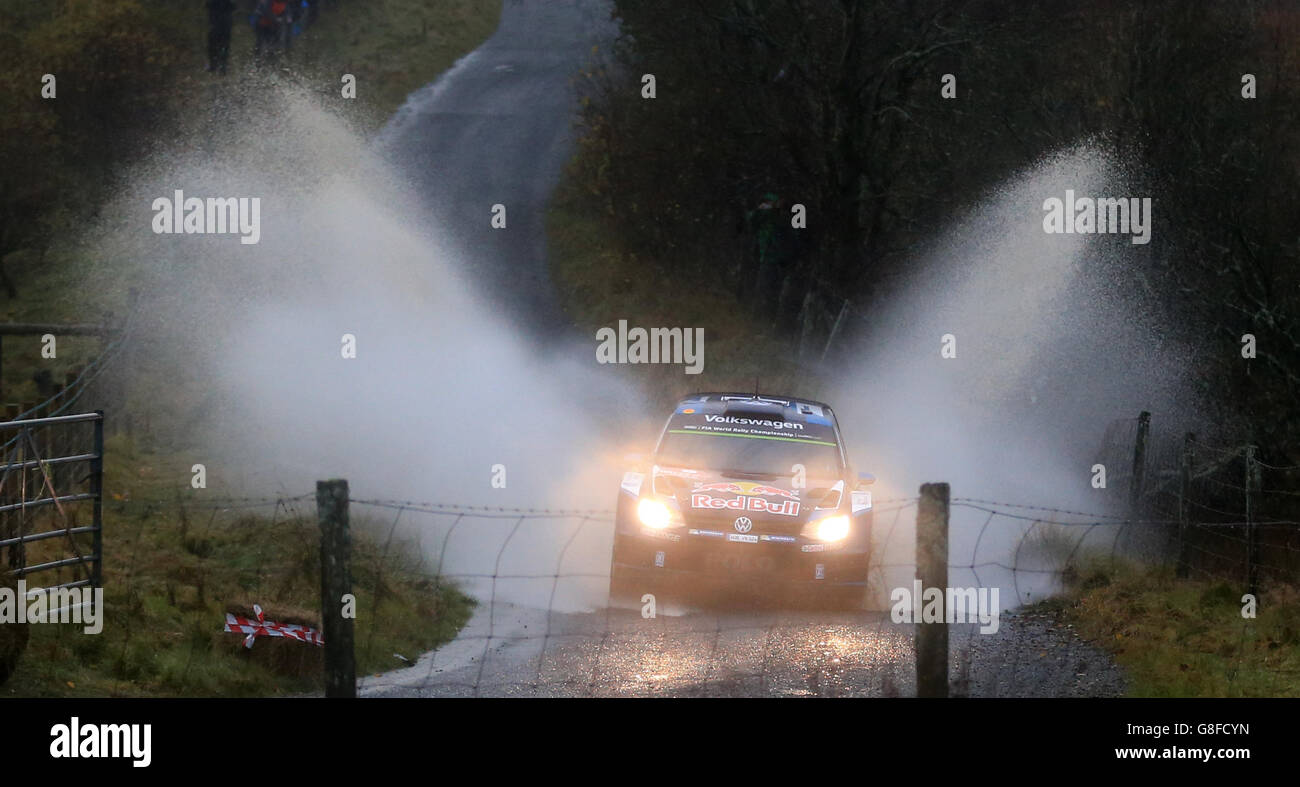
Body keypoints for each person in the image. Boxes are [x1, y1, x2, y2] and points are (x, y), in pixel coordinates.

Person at [206, 0, 235, 75]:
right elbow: (233, 6)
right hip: (223, 26)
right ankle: (220, 66)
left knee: (216, 47)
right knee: (221, 47)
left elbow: (208, 5)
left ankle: (217, 66)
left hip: (219, 26)